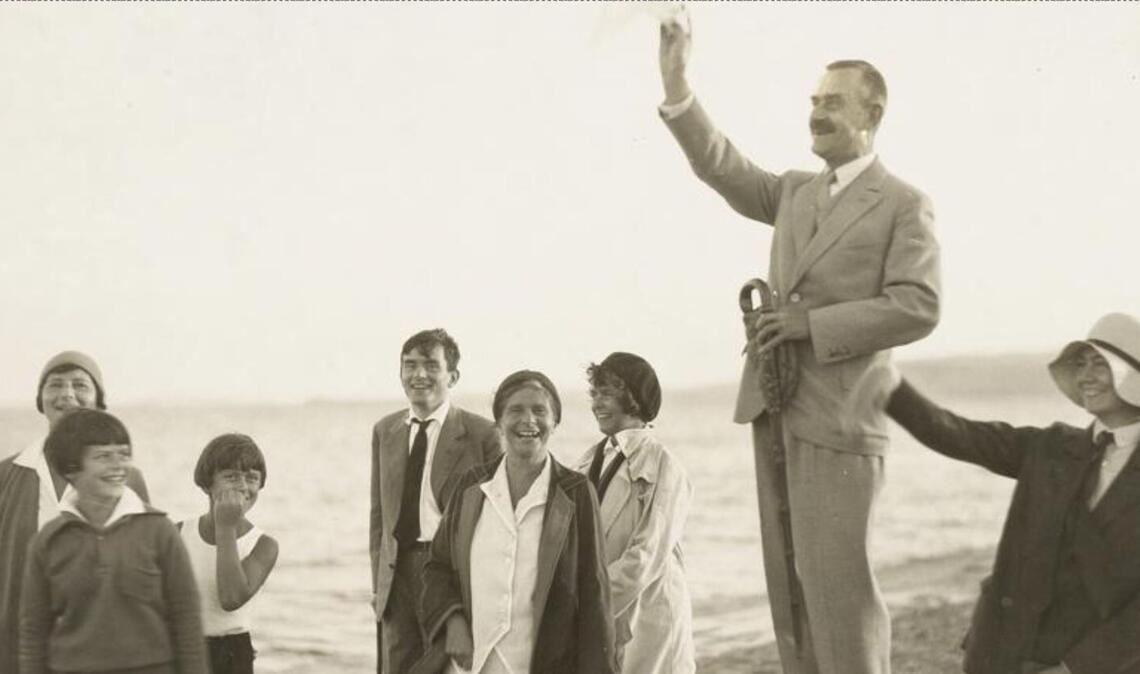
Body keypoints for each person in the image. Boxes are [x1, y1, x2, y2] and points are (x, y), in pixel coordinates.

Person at [655, 15, 941, 674]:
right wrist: (677, 86)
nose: (817, 112)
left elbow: (919, 306)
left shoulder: (903, 203)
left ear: (872, 112)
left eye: (832, 102)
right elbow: (720, 165)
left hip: (842, 419)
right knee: (792, 594)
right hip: (776, 407)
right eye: (813, 101)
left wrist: (813, 325)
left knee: (841, 594)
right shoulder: (793, 193)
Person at [850, 313, 1140, 674]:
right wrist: (887, 383)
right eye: (1081, 364)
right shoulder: (1051, 446)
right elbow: (958, 434)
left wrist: (1075, 668)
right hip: (1002, 653)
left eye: (1102, 365)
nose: (1085, 376)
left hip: (1090, 664)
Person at [418, 370, 617, 674]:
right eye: (516, 410)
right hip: (471, 664)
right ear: (498, 422)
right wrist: (453, 620)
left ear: (555, 422)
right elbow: (438, 566)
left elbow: (594, 593)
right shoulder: (471, 486)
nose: (529, 420)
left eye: (540, 410)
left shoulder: (576, 492)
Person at [18, 408, 206, 674]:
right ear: (71, 468)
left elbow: (187, 620)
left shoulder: (160, 531)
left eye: (124, 454)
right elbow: (33, 632)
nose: (119, 466)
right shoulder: (48, 541)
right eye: (104, 456)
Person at [0, 351, 150, 674]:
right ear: (41, 400)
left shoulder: (127, 478)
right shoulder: (6, 475)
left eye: (80, 384)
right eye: (55, 385)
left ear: (98, 400)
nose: (66, 394)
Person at [371, 329, 501, 674]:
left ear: (452, 376)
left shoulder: (482, 434)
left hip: (446, 572)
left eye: (430, 365)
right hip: (396, 574)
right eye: (409, 365)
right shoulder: (385, 431)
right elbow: (378, 518)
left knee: (445, 668)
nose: (418, 375)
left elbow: (497, 523)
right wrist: (378, 586)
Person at [573, 352, 694, 673]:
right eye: (594, 394)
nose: (597, 403)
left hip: (649, 611)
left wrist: (590, 602)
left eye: (607, 394)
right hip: (603, 612)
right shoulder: (588, 462)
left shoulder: (663, 464)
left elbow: (647, 553)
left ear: (634, 399)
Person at [178, 433, 279, 674]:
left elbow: (231, 598)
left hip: (232, 654)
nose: (243, 486)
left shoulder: (263, 545)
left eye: (252, 478)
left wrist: (226, 527)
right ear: (207, 484)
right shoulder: (177, 533)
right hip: (182, 648)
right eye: (231, 476)